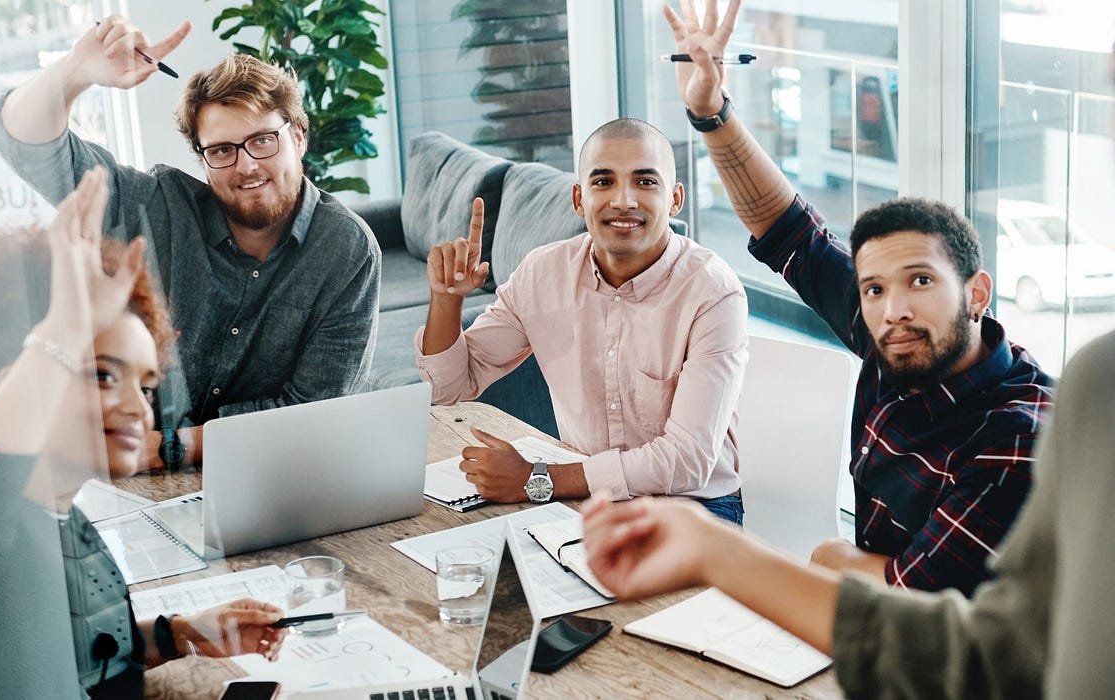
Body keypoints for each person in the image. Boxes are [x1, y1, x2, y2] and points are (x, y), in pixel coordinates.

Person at [656, 0, 1053, 593]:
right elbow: (785, 226)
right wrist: (710, 113)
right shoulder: (895, 336)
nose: (893, 308)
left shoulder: (1017, 440)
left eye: (921, 281)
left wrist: (831, 556)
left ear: (977, 293)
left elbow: (908, 601)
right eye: (874, 289)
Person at [0, 170, 285, 699]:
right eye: (101, 374)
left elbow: (87, 656)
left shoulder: (64, 516)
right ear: (20, 377)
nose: (137, 409)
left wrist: (183, 633)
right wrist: (64, 329)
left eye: (145, 386)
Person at [582, 322, 1115, 697]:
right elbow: (994, 658)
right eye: (875, 290)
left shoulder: (1038, 417)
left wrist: (719, 551)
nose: (895, 312)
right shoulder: (1099, 386)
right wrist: (711, 549)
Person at [0, 15, 381, 470]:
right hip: (126, 466)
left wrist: (170, 447)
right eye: (222, 150)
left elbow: (316, 409)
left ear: (298, 136)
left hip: (266, 469)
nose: (246, 166)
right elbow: (26, 144)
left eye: (263, 141)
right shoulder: (159, 207)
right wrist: (75, 71)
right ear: (203, 157)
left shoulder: (347, 249)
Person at [416, 118, 749, 523]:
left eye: (645, 182)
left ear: (675, 198)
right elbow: (449, 388)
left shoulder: (713, 291)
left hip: (692, 507)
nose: (624, 200)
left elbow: (688, 461)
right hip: (582, 497)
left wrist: (536, 480)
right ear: (579, 199)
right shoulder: (543, 272)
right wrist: (446, 300)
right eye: (603, 182)